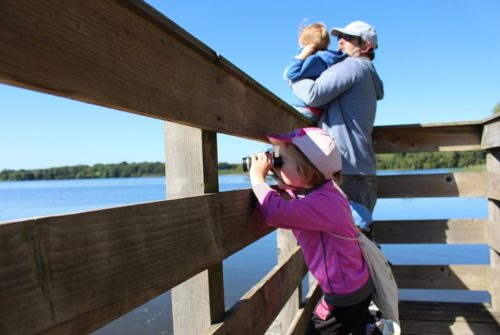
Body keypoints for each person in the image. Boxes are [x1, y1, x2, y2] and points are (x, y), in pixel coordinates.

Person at [249, 127, 379, 335]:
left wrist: (258, 180)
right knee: (354, 325)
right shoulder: (327, 192)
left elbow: (275, 213)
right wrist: (282, 180)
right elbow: (300, 192)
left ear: (308, 170)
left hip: (345, 294)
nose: (275, 165)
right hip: (355, 285)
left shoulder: (322, 203)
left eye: (281, 161)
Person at [290, 20, 384, 214]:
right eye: (340, 37)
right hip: (361, 170)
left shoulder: (354, 66)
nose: (340, 41)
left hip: (346, 170)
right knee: (358, 239)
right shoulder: (367, 73)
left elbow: (313, 95)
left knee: (346, 240)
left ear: (365, 47)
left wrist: (293, 78)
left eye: (348, 38)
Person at [283, 22, 346, 123]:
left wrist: (301, 56)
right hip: (319, 112)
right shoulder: (327, 60)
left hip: (305, 110)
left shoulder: (314, 60)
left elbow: (291, 73)